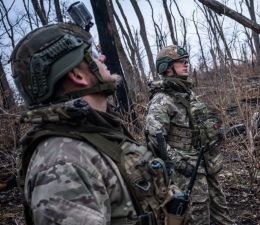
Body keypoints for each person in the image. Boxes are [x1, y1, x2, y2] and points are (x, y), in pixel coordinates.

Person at [11, 23, 175, 225]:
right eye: (94, 53)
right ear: (78, 76)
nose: (103, 58)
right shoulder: (62, 164)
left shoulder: (95, 132)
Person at [145, 45, 234, 225]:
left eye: (187, 62)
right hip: (186, 170)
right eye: (181, 63)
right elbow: (155, 139)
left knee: (220, 209)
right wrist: (181, 164)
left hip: (205, 162)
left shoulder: (186, 92)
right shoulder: (162, 100)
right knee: (198, 215)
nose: (186, 65)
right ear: (167, 68)